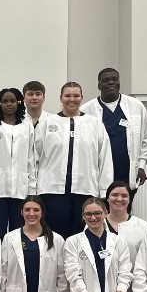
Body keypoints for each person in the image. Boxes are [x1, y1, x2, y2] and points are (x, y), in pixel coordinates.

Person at [35, 82, 113, 239]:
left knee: (81, 237)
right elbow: (35, 158)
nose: (72, 99)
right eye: (67, 96)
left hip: (85, 189)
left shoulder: (94, 124)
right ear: (61, 98)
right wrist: (34, 188)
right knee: (54, 236)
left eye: (76, 96)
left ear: (82, 98)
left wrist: (104, 191)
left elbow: (105, 158)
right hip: (52, 190)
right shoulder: (47, 123)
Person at [81, 68, 147, 204]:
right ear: (99, 85)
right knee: (98, 213)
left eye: (114, 79)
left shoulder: (135, 106)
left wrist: (141, 165)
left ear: (119, 82)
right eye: (106, 80)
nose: (111, 83)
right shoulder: (86, 110)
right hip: (97, 174)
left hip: (126, 171)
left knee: (123, 213)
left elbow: (146, 137)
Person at [0, 88, 36, 239]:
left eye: (12, 101)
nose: (9, 104)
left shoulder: (27, 125)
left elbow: (31, 158)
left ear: (19, 102)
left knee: (17, 231)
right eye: (4, 101)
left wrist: (31, 190)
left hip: (21, 188)